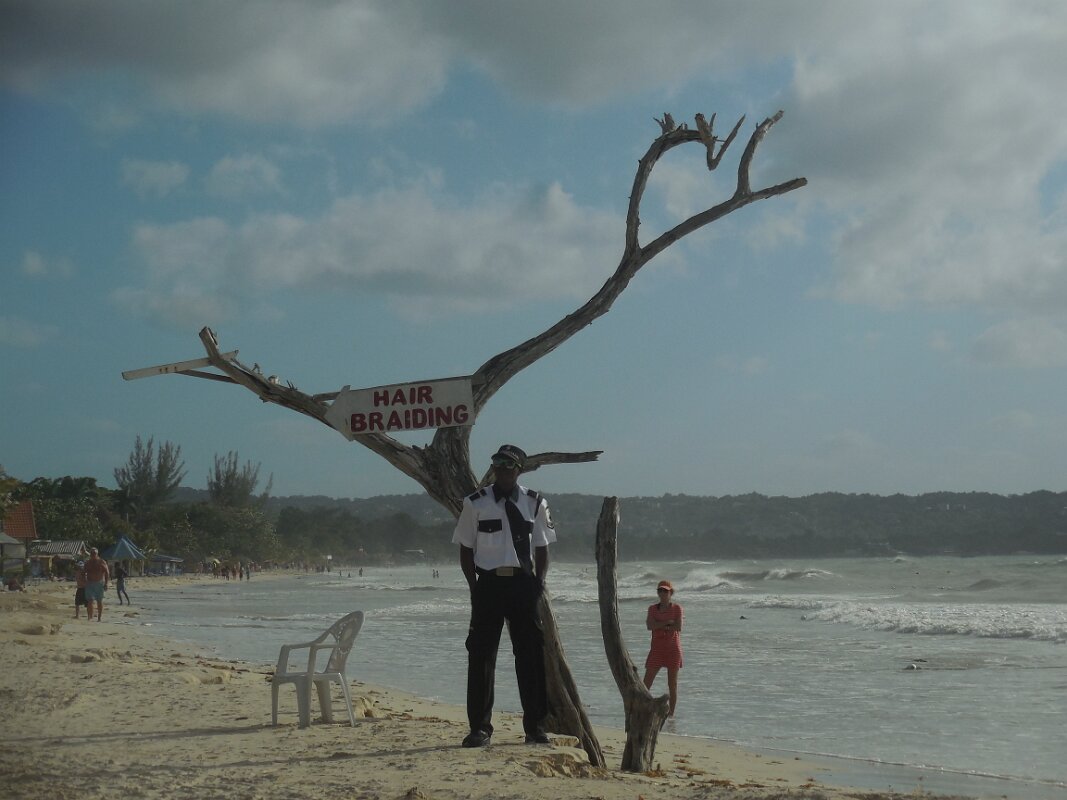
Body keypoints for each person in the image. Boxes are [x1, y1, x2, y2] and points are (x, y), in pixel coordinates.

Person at [453, 444, 556, 748]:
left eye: (509, 464)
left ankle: (535, 727)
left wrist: (538, 584)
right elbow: (466, 548)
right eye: (498, 463)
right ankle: (480, 728)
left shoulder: (534, 503)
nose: (503, 469)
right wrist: (474, 587)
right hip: (488, 584)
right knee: (481, 656)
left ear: (519, 469)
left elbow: (542, 547)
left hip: (522, 585)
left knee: (531, 656)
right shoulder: (475, 503)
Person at [643, 579, 683, 717]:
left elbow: (678, 627)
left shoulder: (676, 608)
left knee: (672, 684)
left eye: (665, 591)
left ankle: (671, 714)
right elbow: (650, 626)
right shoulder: (652, 609)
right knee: (646, 683)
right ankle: (642, 709)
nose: (662, 593)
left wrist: (658, 624)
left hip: (673, 649)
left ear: (671, 592)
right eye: (660, 590)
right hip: (657, 649)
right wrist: (667, 623)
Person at [83, 548, 110, 622]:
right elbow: (84, 572)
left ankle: (99, 618)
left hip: (99, 583)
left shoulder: (101, 562)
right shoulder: (88, 563)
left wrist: (106, 583)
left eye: (94, 553)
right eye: (92, 553)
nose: (93, 555)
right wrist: (84, 580)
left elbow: (107, 572)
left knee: (99, 600)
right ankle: (90, 617)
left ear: (97, 554)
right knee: (90, 600)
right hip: (89, 583)